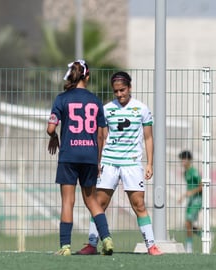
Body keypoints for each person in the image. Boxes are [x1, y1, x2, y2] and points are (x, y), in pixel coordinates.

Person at [77, 71, 163, 256]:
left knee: (138, 204)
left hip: (132, 164)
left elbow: (148, 138)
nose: (119, 94)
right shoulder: (107, 109)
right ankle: (92, 244)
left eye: (122, 90)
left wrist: (150, 164)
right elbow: (101, 137)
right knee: (99, 203)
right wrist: (98, 161)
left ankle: (151, 245)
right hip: (110, 162)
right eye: (116, 91)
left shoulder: (141, 109)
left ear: (129, 88)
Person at [47, 59, 114, 256]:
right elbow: (102, 134)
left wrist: (54, 137)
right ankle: (107, 239)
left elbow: (50, 128)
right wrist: (98, 159)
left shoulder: (62, 99)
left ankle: (65, 246)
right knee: (92, 200)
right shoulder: (95, 101)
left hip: (69, 155)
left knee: (68, 201)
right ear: (87, 76)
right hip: (90, 156)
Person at [177, 150, 204, 254]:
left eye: (183, 160)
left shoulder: (194, 171)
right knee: (187, 224)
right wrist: (183, 196)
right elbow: (189, 189)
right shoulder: (185, 172)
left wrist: (190, 193)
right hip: (191, 200)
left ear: (189, 160)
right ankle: (204, 235)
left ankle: (189, 247)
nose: (182, 162)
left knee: (188, 222)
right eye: (181, 160)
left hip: (197, 200)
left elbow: (202, 186)